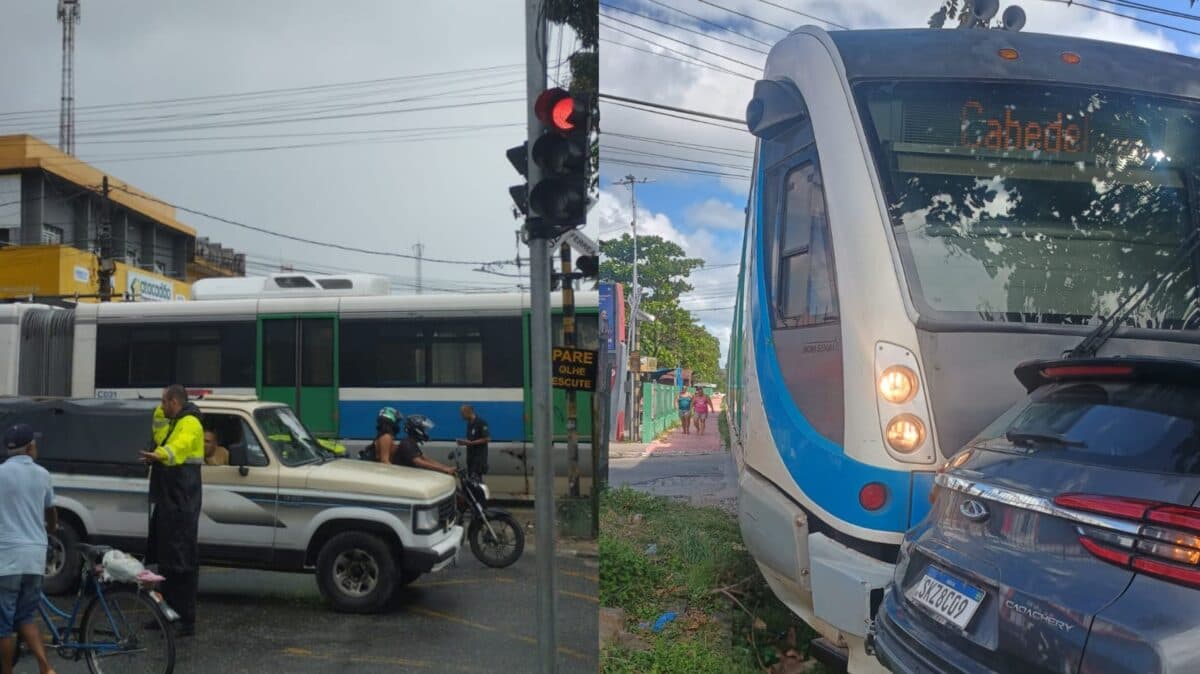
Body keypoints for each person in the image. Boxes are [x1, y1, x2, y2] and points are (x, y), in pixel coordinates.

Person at [139, 385, 204, 637]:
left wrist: (158, 455)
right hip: (170, 502)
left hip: (182, 503)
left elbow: (176, 448)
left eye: (164, 401)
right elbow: (161, 435)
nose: (161, 406)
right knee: (165, 562)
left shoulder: (190, 423)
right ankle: (164, 614)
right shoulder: (174, 420)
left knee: (182, 564)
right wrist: (154, 454)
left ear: (174, 401)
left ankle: (186, 620)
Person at [0, 424, 57, 674]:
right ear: (30, 447)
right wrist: (51, 529)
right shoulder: (43, 474)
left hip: (7, 557)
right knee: (26, 617)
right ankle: (46, 668)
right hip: (35, 556)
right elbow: (51, 511)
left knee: (3, 625)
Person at [391, 415, 455, 475]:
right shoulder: (407, 444)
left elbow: (425, 459)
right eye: (424, 429)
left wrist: (446, 467)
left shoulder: (411, 442)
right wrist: (443, 470)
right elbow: (419, 462)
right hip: (406, 476)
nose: (426, 432)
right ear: (417, 430)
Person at [456, 405, 489, 481]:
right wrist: (464, 442)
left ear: (468, 412)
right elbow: (471, 440)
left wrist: (471, 443)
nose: (461, 416)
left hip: (479, 458)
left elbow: (487, 439)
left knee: (476, 479)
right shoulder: (469, 424)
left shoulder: (481, 422)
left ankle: (480, 493)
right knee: (471, 478)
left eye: (462, 414)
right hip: (471, 457)